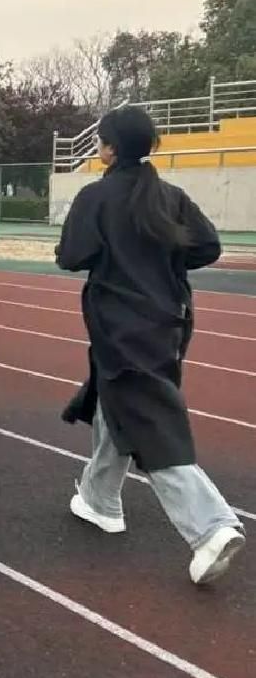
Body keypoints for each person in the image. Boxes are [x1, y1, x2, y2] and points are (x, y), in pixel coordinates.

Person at [57, 105, 244, 585]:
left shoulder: (96, 197)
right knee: (116, 401)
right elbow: (208, 246)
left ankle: (210, 527)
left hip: (121, 327)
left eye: (100, 141)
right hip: (168, 320)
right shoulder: (170, 196)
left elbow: (71, 256)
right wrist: (164, 261)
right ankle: (100, 500)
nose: (97, 147)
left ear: (110, 148)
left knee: (149, 420)